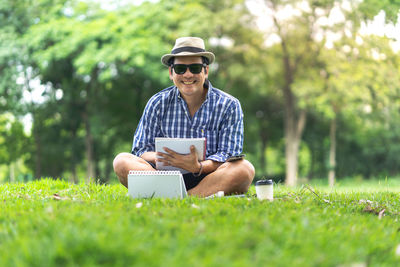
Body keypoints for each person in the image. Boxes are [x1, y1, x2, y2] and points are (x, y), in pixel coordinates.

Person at [113, 37, 255, 197]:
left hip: (209, 175)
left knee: (244, 169)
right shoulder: (157, 102)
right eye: (180, 69)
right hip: (163, 175)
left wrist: (197, 167)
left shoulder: (229, 104)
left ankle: (176, 196)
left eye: (195, 68)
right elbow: (140, 149)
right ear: (171, 72)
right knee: (122, 161)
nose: (188, 75)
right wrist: (171, 160)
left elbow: (229, 154)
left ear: (206, 71)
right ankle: (192, 195)